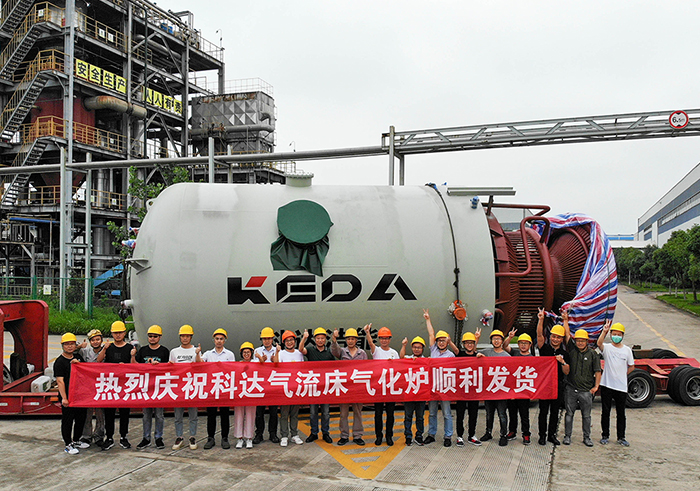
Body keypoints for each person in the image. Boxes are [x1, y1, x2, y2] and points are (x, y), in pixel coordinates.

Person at [535, 308, 570, 446]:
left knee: (555, 412)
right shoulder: (545, 349)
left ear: (562, 339)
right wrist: (541, 320)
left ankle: (551, 435)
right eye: (553, 336)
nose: (555, 339)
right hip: (544, 385)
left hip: (558, 386)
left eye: (558, 337)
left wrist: (563, 362)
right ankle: (542, 436)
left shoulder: (564, 354)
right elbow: (539, 335)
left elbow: (567, 372)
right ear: (550, 337)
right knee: (543, 412)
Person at [597, 321, 634, 447]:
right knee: (605, 411)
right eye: (614, 334)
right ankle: (605, 435)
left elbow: (631, 366)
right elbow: (599, 344)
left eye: (619, 334)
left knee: (621, 413)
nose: (616, 336)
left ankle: (621, 437)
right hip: (607, 385)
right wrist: (604, 331)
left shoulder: (627, 350)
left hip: (621, 387)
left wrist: (622, 375)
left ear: (622, 335)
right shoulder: (607, 348)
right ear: (611, 334)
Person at [133, 325, 170, 450]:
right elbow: (135, 366)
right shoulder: (143, 350)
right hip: (146, 387)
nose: (152, 338)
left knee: (159, 414)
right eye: (150, 336)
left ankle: (158, 437)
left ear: (160, 337)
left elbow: (169, 368)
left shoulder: (164, 351)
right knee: (146, 414)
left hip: (159, 387)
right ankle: (146, 437)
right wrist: (133, 356)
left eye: (155, 336)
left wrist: (159, 366)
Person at [97, 321, 133, 450]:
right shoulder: (109, 347)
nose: (118, 335)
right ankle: (109, 437)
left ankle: (124, 437)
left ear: (124, 333)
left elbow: (135, 366)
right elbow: (99, 361)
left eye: (120, 332)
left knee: (124, 413)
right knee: (109, 413)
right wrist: (104, 349)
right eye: (115, 333)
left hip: (125, 385)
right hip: (111, 385)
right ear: (112, 334)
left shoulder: (129, 348)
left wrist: (130, 360)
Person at [563, 328, 601, 447]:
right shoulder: (572, 351)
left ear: (587, 342)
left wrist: (596, 386)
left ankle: (587, 437)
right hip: (571, 389)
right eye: (578, 340)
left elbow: (597, 371)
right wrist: (565, 320)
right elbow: (567, 335)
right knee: (569, 414)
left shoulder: (593, 354)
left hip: (586, 391)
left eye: (582, 341)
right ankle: (567, 436)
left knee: (586, 416)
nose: (580, 343)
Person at [422, 308, 455, 447]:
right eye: (439, 341)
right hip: (433, 388)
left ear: (447, 342)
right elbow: (431, 333)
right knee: (432, 413)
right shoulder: (434, 350)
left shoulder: (451, 356)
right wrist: (428, 319)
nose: (441, 343)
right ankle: (431, 434)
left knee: (447, 413)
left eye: (443, 341)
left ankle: (448, 436)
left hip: (445, 388)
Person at [330, 328, 367, 446]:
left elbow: (367, 369)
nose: (350, 341)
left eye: (352, 339)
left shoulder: (362, 353)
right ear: (345, 340)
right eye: (348, 339)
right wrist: (334, 339)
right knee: (343, 413)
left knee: (358, 412)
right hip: (344, 387)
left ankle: (357, 435)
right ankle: (344, 436)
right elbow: (334, 351)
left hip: (357, 387)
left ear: (356, 340)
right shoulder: (342, 352)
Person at [364, 323, 399, 446]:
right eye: (382, 338)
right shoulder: (377, 351)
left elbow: (399, 368)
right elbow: (370, 344)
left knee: (390, 414)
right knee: (378, 413)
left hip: (390, 387)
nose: (384, 340)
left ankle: (389, 436)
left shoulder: (394, 353)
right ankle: (378, 436)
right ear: (379, 339)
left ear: (390, 339)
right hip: (378, 387)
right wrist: (367, 332)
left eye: (386, 338)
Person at [169, 324, 202, 450]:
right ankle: (179, 437)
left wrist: (197, 354)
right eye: (183, 336)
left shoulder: (195, 350)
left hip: (192, 386)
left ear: (191, 337)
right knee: (178, 415)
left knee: (193, 415)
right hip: (178, 388)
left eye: (187, 336)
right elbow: (170, 368)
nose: (185, 338)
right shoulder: (174, 352)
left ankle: (192, 437)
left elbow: (200, 365)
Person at [202, 328, 235, 450]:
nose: (219, 341)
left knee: (225, 415)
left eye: (221, 339)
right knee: (211, 415)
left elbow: (233, 370)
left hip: (224, 389)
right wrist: (197, 354)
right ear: (214, 340)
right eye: (217, 339)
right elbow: (200, 364)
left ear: (224, 340)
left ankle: (224, 438)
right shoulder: (208, 354)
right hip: (211, 389)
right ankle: (210, 438)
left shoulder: (229, 354)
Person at [477, 329, 511, 446]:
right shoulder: (487, 352)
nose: (496, 341)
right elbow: (474, 352)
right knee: (489, 413)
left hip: (501, 390)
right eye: (494, 339)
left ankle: (503, 435)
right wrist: (478, 354)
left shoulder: (506, 356)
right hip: (489, 389)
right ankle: (488, 432)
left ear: (502, 340)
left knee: (502, 414)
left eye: (498, 339)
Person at [55, 333, 88, 455]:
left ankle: (76, 440)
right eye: (67, 344)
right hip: (68, 396)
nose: (69, 346)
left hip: (80, 395)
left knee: (81, 418)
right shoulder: (59, 362)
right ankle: (68, 444)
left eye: (72, 344)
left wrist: (78, 364)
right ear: (62, 346)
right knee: (68, 420)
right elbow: (60, 381)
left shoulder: (78, 357)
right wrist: (64, 398)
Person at [301, 327, 334, 444]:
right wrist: (304, 338)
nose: (320, 340)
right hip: (313, 387)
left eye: (322, 338)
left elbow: (337, 366)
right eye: (318, 338)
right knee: (313, 412)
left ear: (325, 339)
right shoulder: (310, 350)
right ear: (315, 339)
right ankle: (313, 433)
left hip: (325, 387)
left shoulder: (329, 352)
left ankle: (325, 433)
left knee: (325, 413)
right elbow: (301, 350)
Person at [274, 330, 305, 447]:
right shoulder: (281, 353)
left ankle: (294, 434)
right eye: (287, 340)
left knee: (294, 413)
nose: (289, 342)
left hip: (296, 387)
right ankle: (284, 435)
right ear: (284, 342)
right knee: (284, 413)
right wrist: (277, 352)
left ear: (295, 341)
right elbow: (276, 365)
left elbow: (302, 369)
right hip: (285, 387)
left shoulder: (299, 353)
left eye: (291, 340)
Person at [504, 332, 534, 445]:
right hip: (512, 389)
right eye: (521, 343)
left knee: (524, 414)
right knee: (512, 413)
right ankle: (512, 431)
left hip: (524, 390)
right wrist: (510, 337)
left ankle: (526, 434)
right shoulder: (515, 353)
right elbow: (504, 346)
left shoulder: (532, 358)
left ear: (530, 345)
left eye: (526, 343)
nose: (523, 345)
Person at [454, 329, 482, 446]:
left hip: (473, 390)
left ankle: (471, 435)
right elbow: (455, 349)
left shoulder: (478, 356)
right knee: (460, 414)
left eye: (471, 343)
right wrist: (449, 341)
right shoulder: (460, 354)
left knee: (473, 414)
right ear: (463, 344)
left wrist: (482, 356)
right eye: (467, 343)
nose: (469, 345)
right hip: (461, 390)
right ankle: (459, 436)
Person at [78, 329, 105, 448]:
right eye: (93, 340)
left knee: (100, 413)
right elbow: (71, 350)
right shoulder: (85, 351)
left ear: (101, 340)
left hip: (101, 386)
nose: (95, 342)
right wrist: (80, 346)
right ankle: (86, 436)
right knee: (87, 413)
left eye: (97, 339)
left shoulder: (106, 350)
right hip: (88, 386)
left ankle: (99, 436)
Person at [253, 327, 280, 444]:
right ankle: (259, 434)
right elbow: (253, 367)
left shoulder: (277, 350)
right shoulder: (257, 351)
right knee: (259, 413)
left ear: (272, 339)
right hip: (260, 385)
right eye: (264, 339)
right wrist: (260, 360)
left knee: (273, 412)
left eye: (269, 338)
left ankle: (273, 434)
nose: (267, 341)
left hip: (273, 385)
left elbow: (281, 367)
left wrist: (276, 357)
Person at [399, 335, 427, 446]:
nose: (417, 349)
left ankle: (419, 435)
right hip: (409, 393)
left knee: (420, 417)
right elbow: (401, 357)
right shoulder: (408, 359)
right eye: (415, 347)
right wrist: (403, 345)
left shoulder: (427, 360)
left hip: (421, 394)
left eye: (419, 347)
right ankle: (408, 436)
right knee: (408, 416)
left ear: (422, 349)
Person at [234, 342, 257, 449]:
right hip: (240, 393)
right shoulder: (237, 364)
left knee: (250, 415)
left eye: (248, 352)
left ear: (252, 353)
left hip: (251, 393)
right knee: (239, 415)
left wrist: (260, 357)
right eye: (244, 352)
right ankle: (239, 438)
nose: (246, 354)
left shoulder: (256, 363)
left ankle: (249, 438)